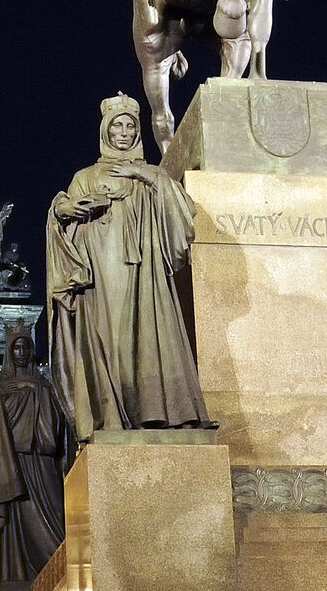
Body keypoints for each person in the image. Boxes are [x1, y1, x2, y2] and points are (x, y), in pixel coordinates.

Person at [44, 95, 207, 440]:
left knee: (149, 337)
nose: (123, 131)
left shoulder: (150, 176)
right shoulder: (85, 177)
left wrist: (146, 174)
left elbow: (181, 216)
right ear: (105, 130)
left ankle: (155, 411)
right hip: (101, 276)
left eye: (130, 125)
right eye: (116, 125)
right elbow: (62, 220)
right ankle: (112, 414)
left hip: (143, 275)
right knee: (108, 340)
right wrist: (64, 210)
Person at [0, 330, 76, 585]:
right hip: (11, 465)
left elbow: (59, 427)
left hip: (42, 462)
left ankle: (62, 570)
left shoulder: (46, 386)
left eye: (26, 348)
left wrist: (36, 392)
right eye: (17, 348)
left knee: (55, 521)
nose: (22, 353)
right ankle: (17, 576)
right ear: (10, 353)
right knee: (14, 525)